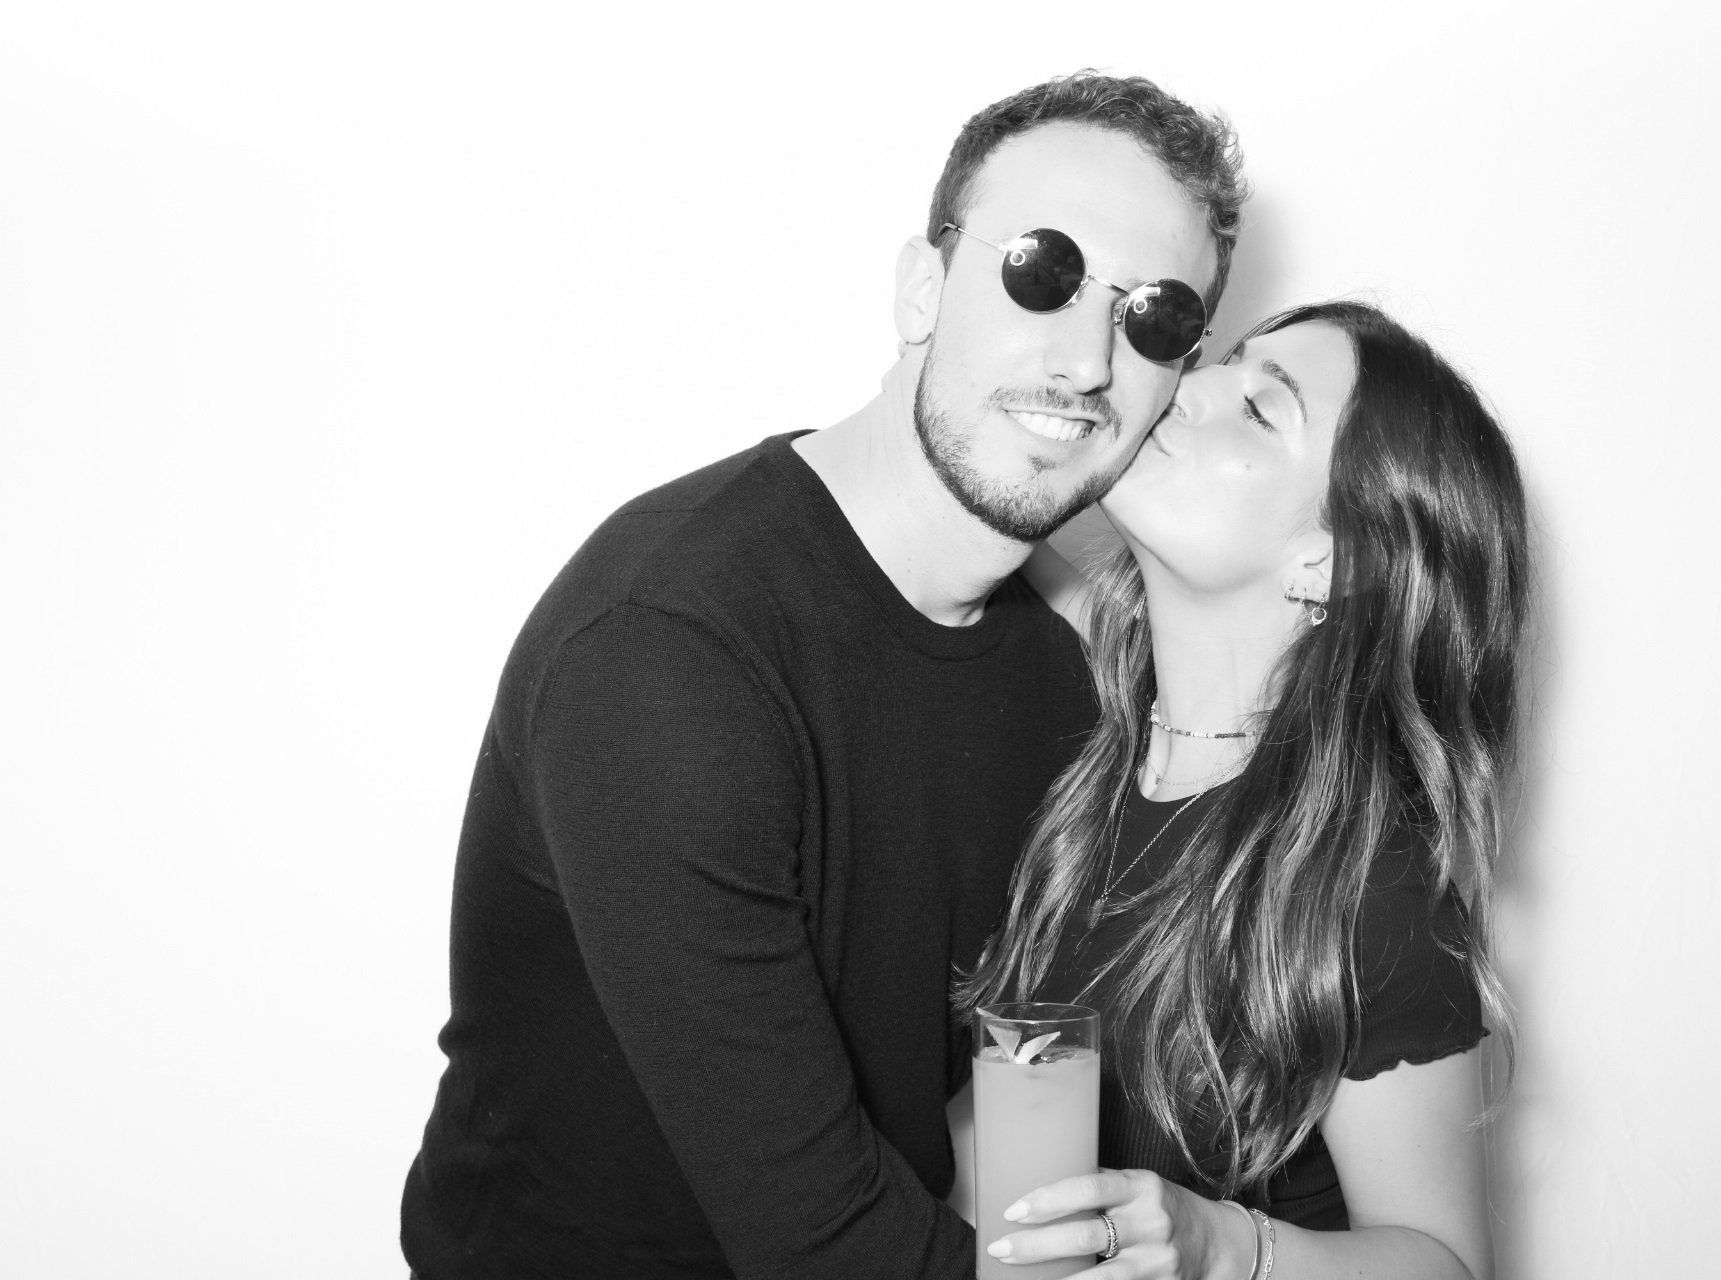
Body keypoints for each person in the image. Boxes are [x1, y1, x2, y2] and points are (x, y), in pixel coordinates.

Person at [399, 73, 1247, 1279]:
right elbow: (822, 1243)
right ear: (921, 288)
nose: (1090, 361)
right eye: (1043, 271)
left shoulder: (1064, 675)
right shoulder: (668, 653)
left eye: (1155, 318)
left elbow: (1038, 1080)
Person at [955, 300, 1529, 1280]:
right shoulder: (1073, 746)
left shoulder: (1364, 888)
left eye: (1262, 409)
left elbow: (1449, 1264)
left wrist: (1219, 1243)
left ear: (1330, 561)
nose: (1187, 383)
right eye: (1219, 360)